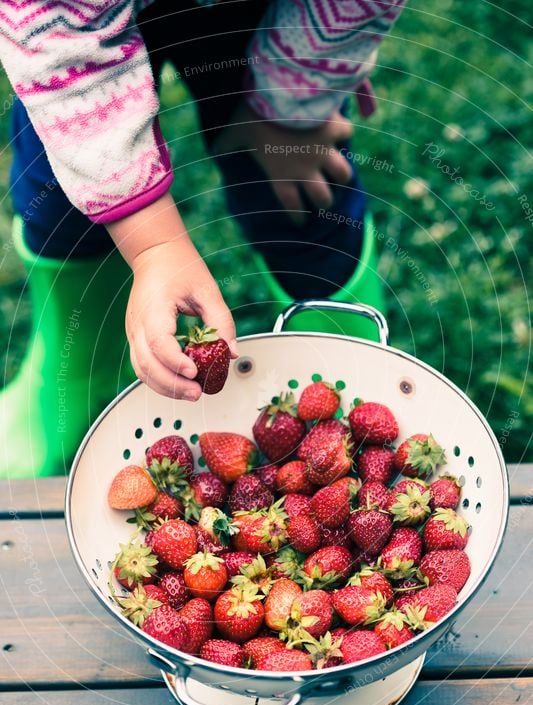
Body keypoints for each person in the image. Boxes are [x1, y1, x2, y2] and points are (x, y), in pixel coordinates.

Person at [0, 0, 405, 477]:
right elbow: (61, 41)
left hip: (274, 13)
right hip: (68, 29)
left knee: (305, 194)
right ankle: (77, 373)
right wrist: (154, 247)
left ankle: (345, 374)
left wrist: (296, 97)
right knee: (61, 197)